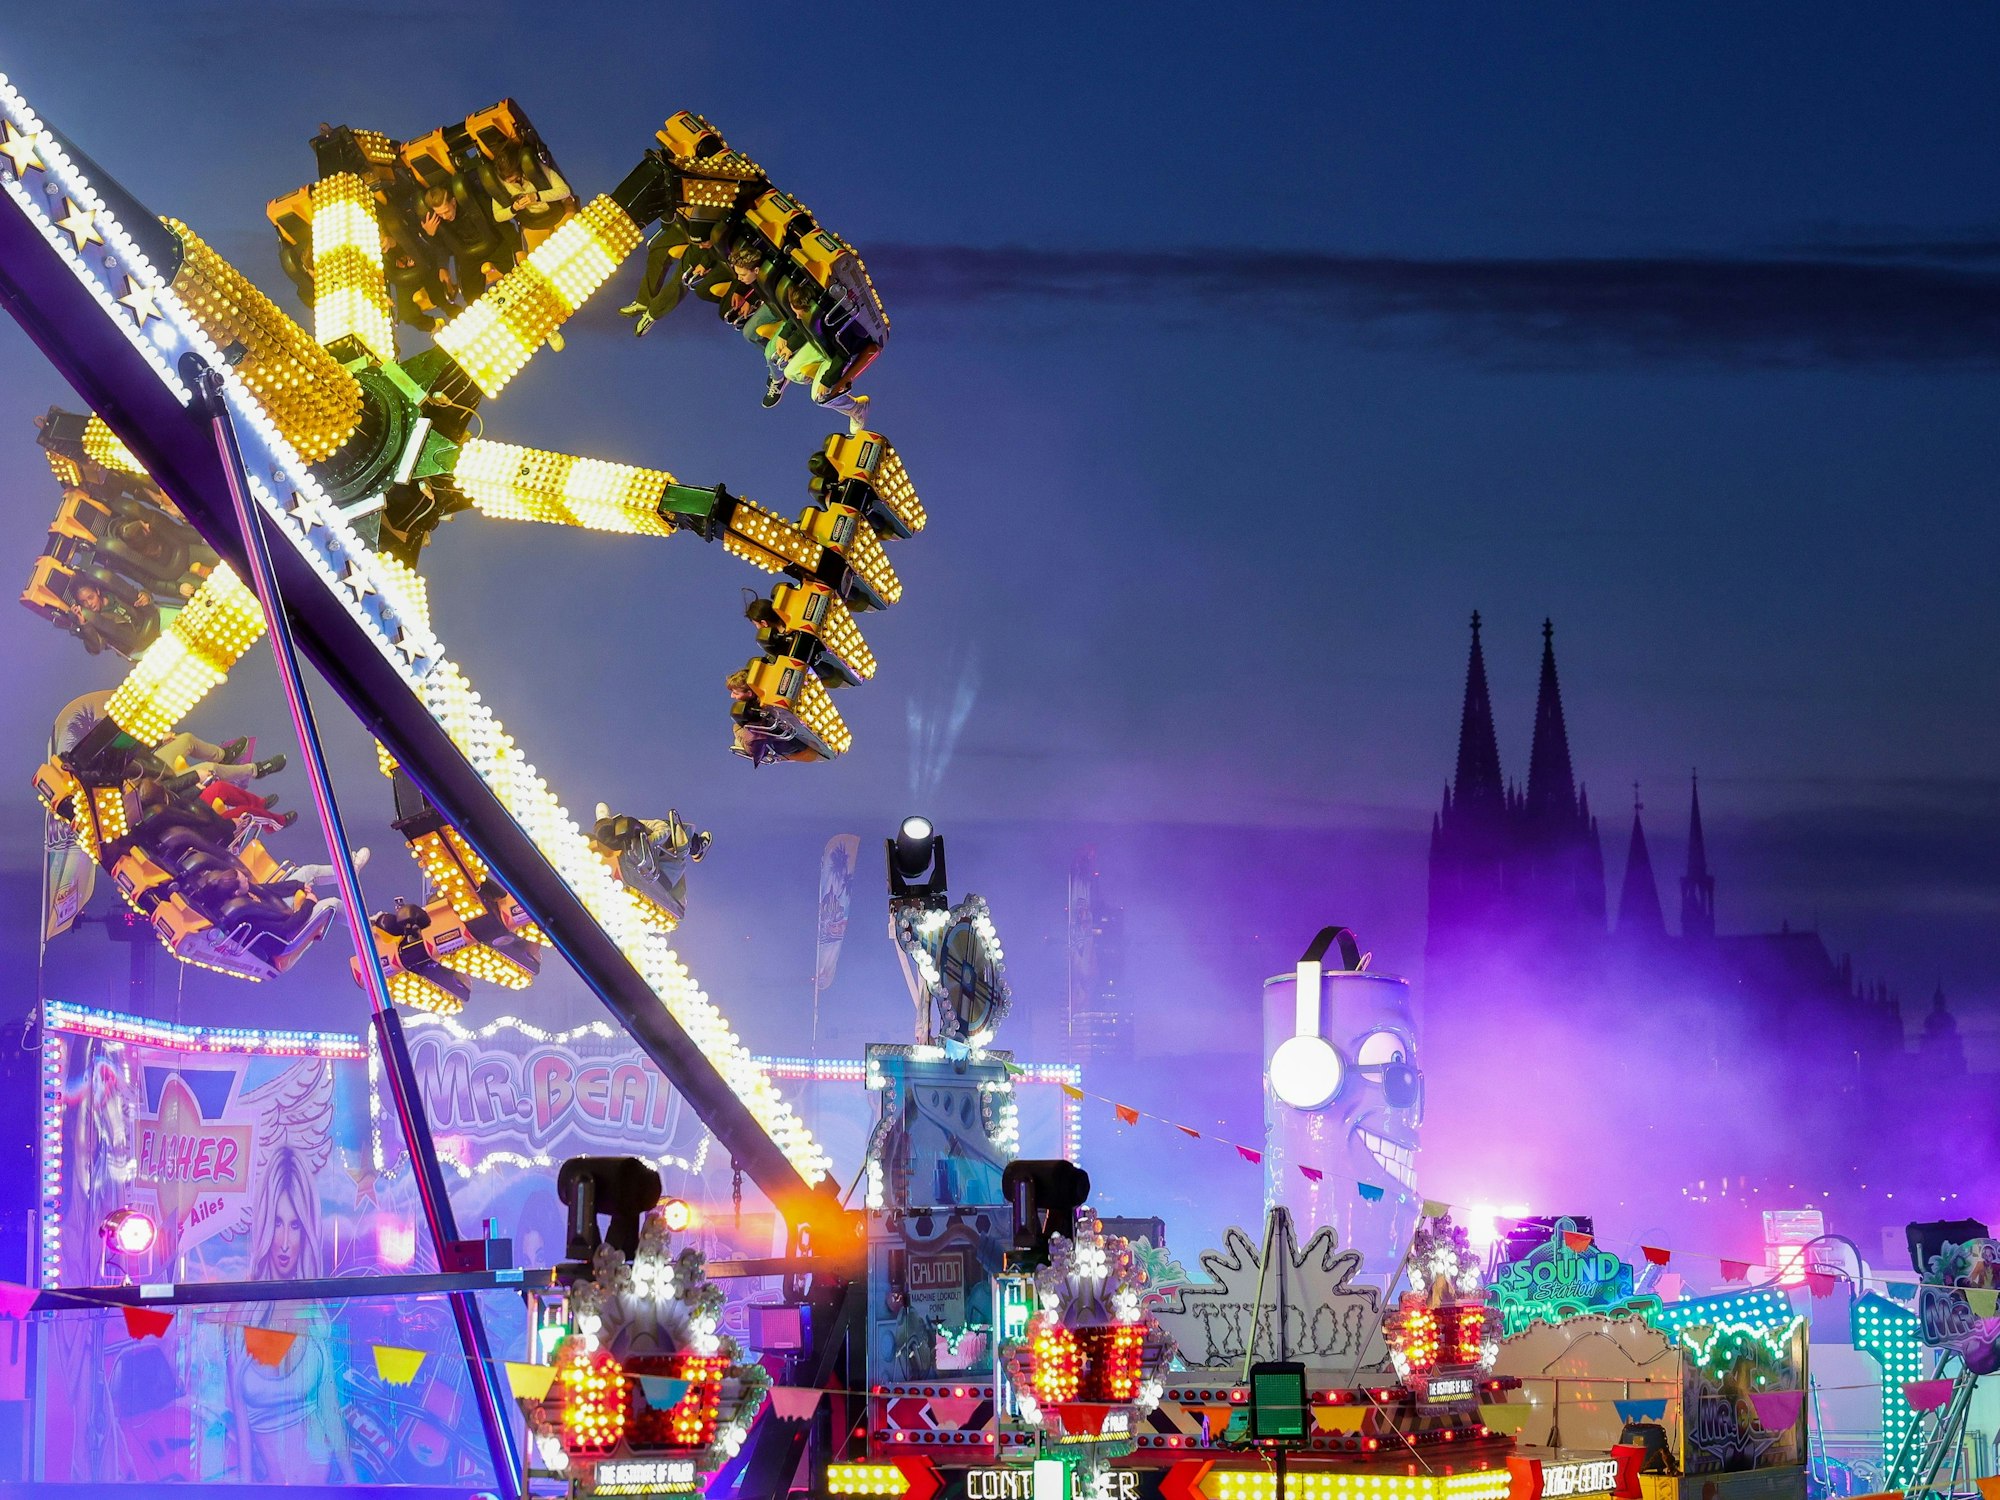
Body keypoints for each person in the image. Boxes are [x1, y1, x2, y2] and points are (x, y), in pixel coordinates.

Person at [231, 1146, 356, 1483]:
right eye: (276, 1223)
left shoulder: (315, 1314)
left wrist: (355, 1486)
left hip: (324, 1489)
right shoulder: (241, 1313)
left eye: (295, 1225)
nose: (285, 1242)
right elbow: (239, 1428)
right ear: (263, 1225)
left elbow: (330, 1412)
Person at [762, 280, 873, 431]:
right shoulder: (813, 311)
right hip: (824, 345)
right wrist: (790, 343)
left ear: (810, 311)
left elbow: (843, 355)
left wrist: (827, 381)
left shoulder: (835, 325)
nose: (798, 317)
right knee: (790, 373)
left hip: (839, 353)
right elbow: (806, 327)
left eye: (799, 314)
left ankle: (857, 408)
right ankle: (819, 375)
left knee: (820, 398)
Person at [418, 185, 506, 308]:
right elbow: (444, 249)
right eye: (440, 214)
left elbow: (499, 226)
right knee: (471, 298)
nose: (444, 217)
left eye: (446, 211)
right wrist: (431, 235)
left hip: (492, 245)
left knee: (516, 273)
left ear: (453, 202)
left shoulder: (472, 204)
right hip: (467, 255)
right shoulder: (441, 222)